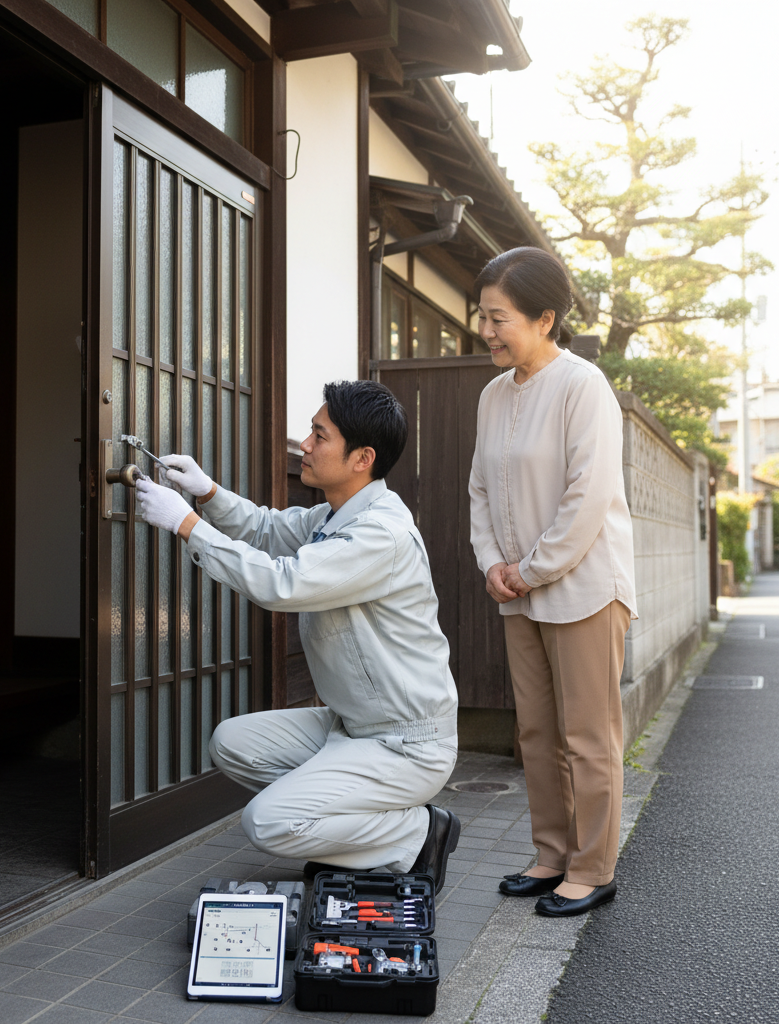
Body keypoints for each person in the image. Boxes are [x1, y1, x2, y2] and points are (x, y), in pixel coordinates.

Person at [134, 380, 460, 892]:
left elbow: (283, 583)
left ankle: (416, 834)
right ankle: (350, 834)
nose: (305, 445)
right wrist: (207, 493)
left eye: (318, 435)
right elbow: (265, 528)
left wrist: (187, 524)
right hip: (350, 726)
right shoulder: (333, 514)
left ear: (362, 458)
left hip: (404, 743)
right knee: (232, 744)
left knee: (267, 822)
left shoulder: (380, 534)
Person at [468, 247, 637, 917]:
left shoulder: (582, 384)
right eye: (481, 316)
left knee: (588, 737)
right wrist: (491, 564)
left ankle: (593, 869)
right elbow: (481, 489)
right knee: (536, 732)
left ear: (545, 318)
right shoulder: (491, 395)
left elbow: (587, 499)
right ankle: (550, 854)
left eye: (498, 317)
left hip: (586, 589)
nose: (486, 329)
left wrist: (527, 570)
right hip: (519, 592)